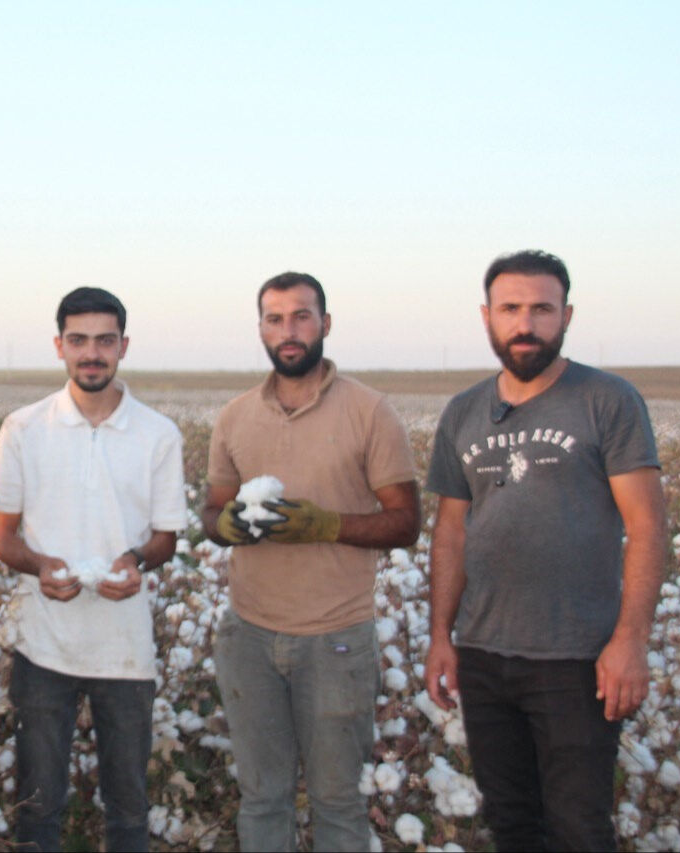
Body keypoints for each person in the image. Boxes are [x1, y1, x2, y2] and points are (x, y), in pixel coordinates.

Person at [423, 250, 666, 851]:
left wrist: (630, 640)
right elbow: (451, 532)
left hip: (575, 658)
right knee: (512, 823)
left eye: (541, 309)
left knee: (579, 829)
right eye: (510, 309)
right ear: (487, 318)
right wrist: (440, 637)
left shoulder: (606, 400)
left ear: (567, 316)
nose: (525, 323)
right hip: (482, 655)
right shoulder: (463, 412)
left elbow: (648, 527)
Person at [201, 272, 420, 852]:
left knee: (338, 801)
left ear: (326, 323)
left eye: (301, 316)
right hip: (248, 638)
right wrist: (225, 526)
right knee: (262, 798)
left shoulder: (370, 411)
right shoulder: (236, 416)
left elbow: (405, 521)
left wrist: (326, 525)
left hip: (336, 640)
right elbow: (212, 511)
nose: (288, 331)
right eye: (274, 319)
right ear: (261, 330)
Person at [0, 287, 186, 851]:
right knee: (38, 808)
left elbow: (166, 537)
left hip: (126, 654)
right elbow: (3, 540)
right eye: (78, 340)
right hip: (42, 648)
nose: (91, 353)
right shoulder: (23, 428)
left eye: (104, 340)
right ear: (59, 346)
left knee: (127, 810)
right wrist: (40, 565)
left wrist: (137, 559)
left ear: (124, 345)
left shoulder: (158, 435)